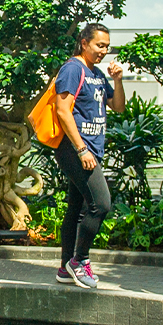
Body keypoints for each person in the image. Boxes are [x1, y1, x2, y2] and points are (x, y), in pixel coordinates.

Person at [51, 23, 124, 288]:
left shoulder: (97, 74)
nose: (104, 51)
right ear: (84, 43)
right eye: (99, 45)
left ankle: (64, 267)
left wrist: (117, 80)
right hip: (75, 149)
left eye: (107, 46)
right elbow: (62, 110)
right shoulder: (73, 68)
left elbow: (118, 106)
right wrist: (82, 149)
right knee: (101, 204)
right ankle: (78, 261)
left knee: (76, 209)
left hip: (91, 149)